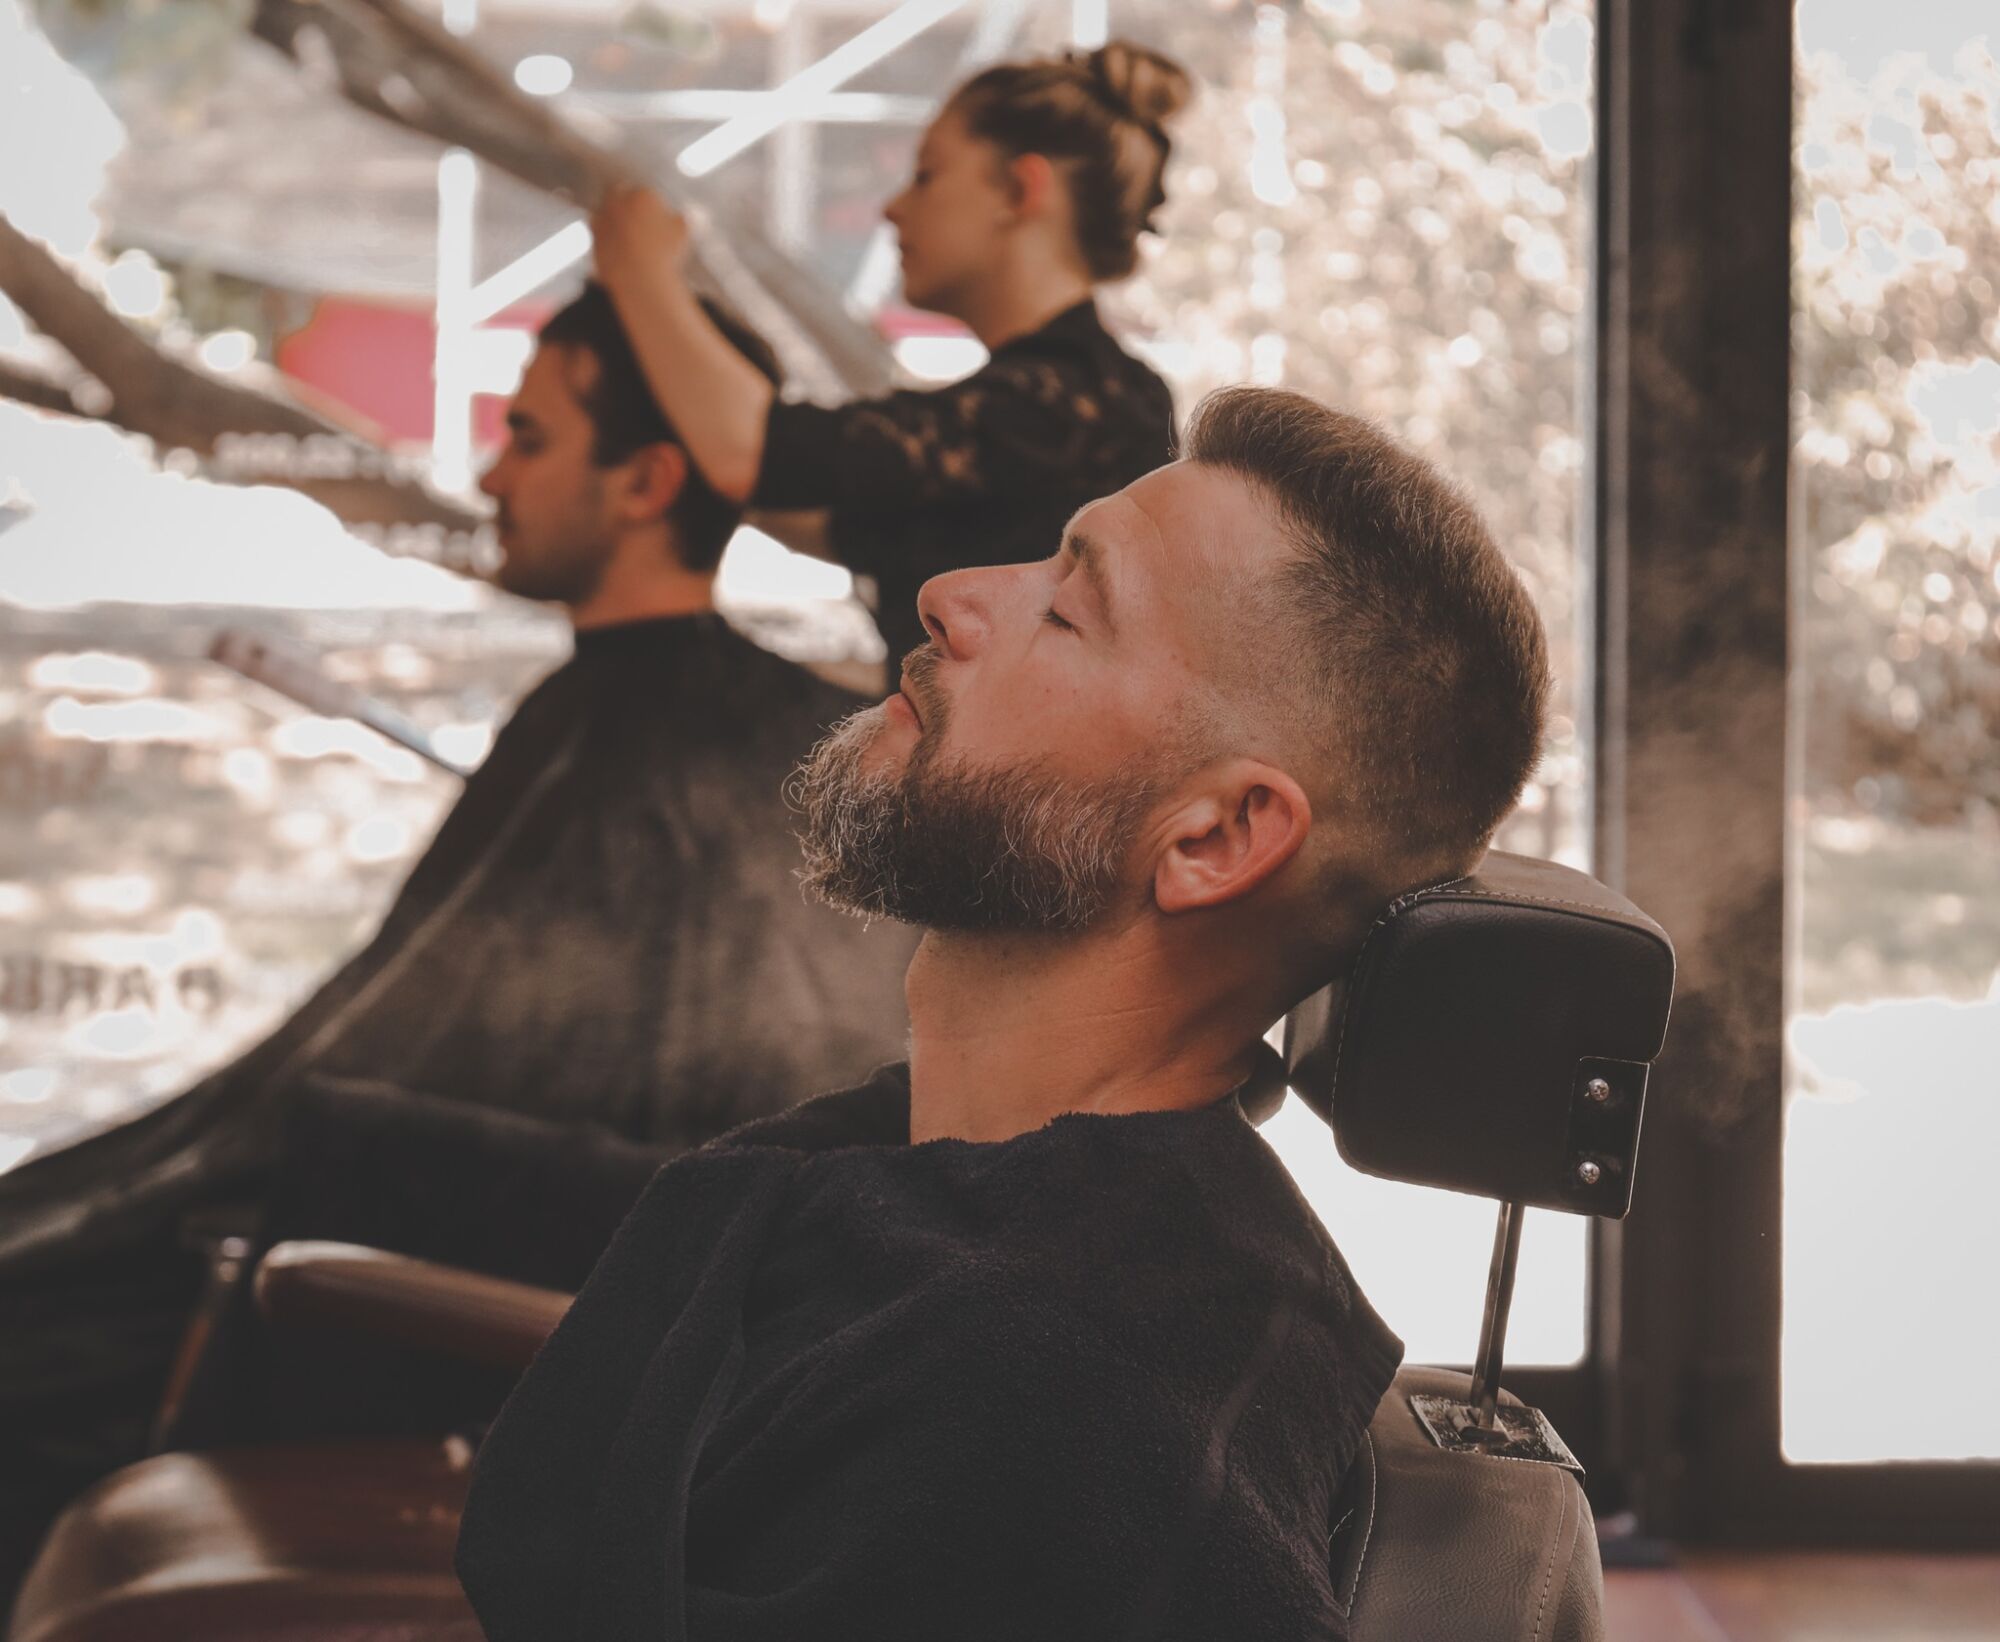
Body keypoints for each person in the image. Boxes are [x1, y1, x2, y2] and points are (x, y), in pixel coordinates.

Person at [455, 386, 1554, 1639]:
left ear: (1213, 836)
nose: (949, 594)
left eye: (1067, 608)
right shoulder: (986, 1233)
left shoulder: (1046, 1423)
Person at [0, 285, 913, 1608]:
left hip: (499, 1300)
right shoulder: (653, 715)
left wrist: (268, 1161)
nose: (490, 471)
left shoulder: (663, 742)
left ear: (650, 477)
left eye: (530, 437)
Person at [589, 40, 1187, 670]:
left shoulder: (1082, 402)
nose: (893, 207)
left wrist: (641, 272)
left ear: (1018, 188)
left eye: (927, 174)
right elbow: (810, 505)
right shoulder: (1070, 404)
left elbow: (752, 458)